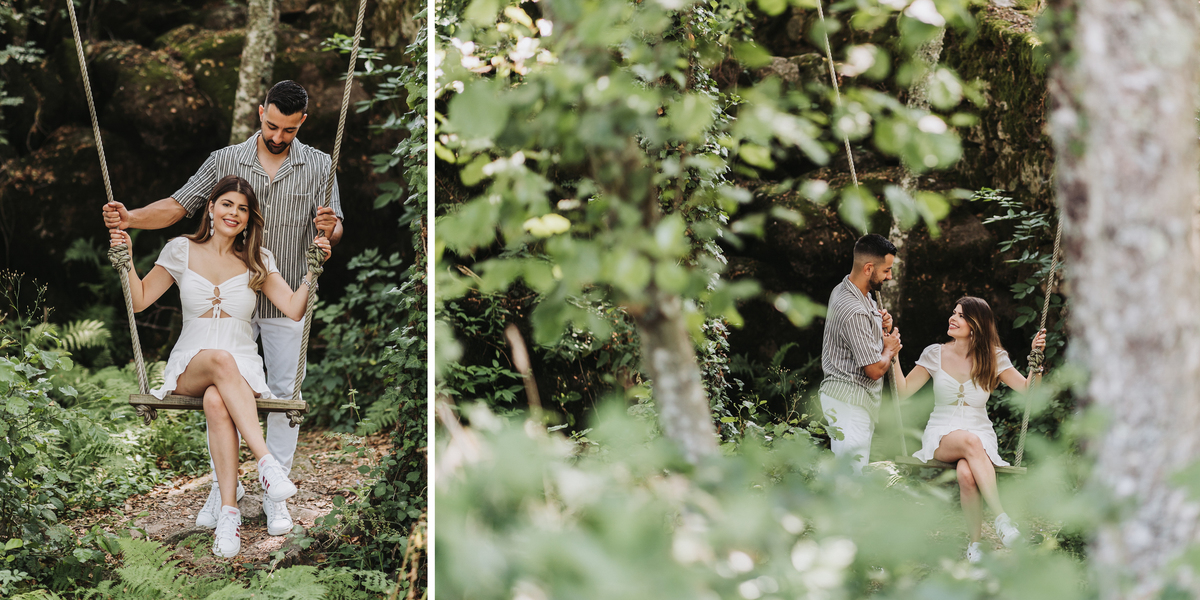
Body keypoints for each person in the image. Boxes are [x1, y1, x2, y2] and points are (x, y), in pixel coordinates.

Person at [101, 80, 344, 536]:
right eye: (271, 125)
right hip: (232, 307)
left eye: (288, 130)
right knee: (222, 384)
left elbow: (333, 231)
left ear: (302, 124)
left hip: (277, 287)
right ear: (260, 112)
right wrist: (131, 219)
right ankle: (225, 487)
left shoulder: (320, 166)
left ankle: (275, 495)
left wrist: (325, 239)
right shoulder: (225, 161)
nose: (277, 136)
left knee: (282, 396)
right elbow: (177, 207)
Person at [110, 175, 330, 557]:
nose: (234, 213)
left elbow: (294, 309)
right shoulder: (181, 250)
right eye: (227, 204)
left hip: (240, 369)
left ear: (249, 219)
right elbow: (141, 299)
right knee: (219, 361)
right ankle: (266, 463)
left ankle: (228, 516)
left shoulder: (257, 259)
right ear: (211, 207)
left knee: (217, 399)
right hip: (191, 364)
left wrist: (313, 270)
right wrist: (125, 259)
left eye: (243, 209)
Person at [891, 297, 1046, 563]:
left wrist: (1037, 362)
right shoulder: (935, 354)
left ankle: (975, 547)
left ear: (975, 324)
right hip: (941, 434)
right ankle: (1002, 519)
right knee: (970, 442)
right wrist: (892, 356)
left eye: (960, 316)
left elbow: (1027, 392)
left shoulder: (995, 358)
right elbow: (903, 391)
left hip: (980, 434)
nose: (952, 318)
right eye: (954, 313)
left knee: (967, 473)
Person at [818, 233, 902, 473]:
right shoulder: (854, 308)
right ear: (868, 268)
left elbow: (862, 329)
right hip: (849, 402)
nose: (889, 276)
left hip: (851, 400)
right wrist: (889, 348)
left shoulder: (847, 289)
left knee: (849, 476)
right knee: (850, 479)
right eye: (886, 270)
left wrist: (879, 321)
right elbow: (874, 370)